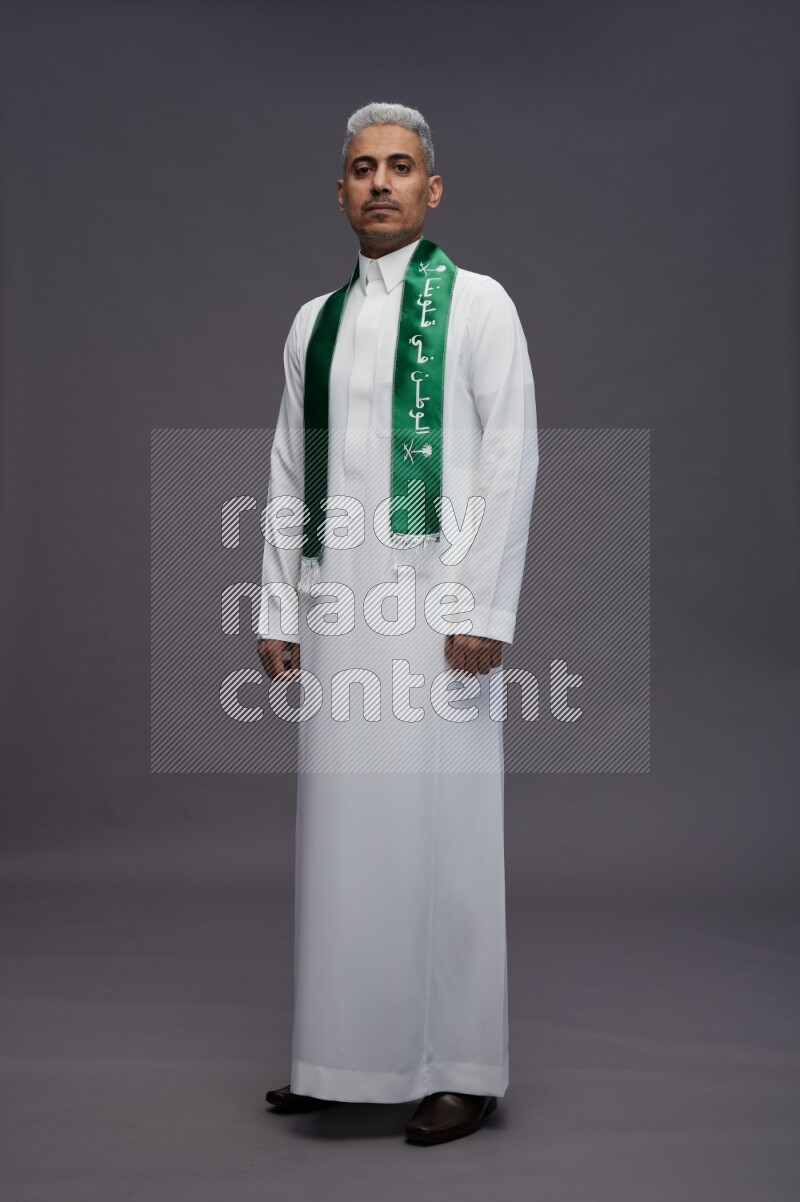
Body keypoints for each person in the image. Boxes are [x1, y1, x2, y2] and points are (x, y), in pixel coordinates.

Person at [256, 102, 539, 1145]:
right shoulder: (310, 323)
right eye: (362, 169)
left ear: (431, 189)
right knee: (344, 833)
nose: (380, 183)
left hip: (436, 610)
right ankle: (342, 1054)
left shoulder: (476, 306)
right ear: (339, 191)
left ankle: (461, 1063)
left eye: (400, 168)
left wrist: (481, 605)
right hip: (343, 609)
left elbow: (510, 459)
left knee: (446, 831)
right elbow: (289, 469)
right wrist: (279, 602)